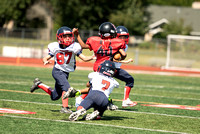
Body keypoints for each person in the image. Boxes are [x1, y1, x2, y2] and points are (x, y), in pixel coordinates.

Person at [30, 26, 95, 114]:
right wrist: (45, 61)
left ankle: (39, 84)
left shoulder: (74, 46)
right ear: (59, 37)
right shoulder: (55, 46)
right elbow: (45, 57)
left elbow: (83, 58)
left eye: (69, 36)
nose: (68, 38)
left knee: (55, 96)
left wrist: (92, 57)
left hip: (65, 73)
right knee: (67, 88)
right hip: (57, 71)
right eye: (65, 36)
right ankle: (65, 108)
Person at [72, 22, 127, 109]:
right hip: (108, 67)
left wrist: (77, 35)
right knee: (102, 87)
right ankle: (81, 97)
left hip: (97, 67)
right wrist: (119, 58)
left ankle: (83, 97)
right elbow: (123, 54)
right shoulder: (117, 42)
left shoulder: (95, 40)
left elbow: (83, 45)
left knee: (97, 86)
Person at [113, 26, 137, 107]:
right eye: (121, 37)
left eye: (125, 37)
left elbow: (117, 58)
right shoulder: (113, 44)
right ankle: (82, 97)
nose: (123, 38)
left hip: (116, 68)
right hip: (108, 67)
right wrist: (125, 61)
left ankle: (126, 100)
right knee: (97, 85)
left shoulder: (125, 46)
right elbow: (112, 59)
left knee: (130, 80)